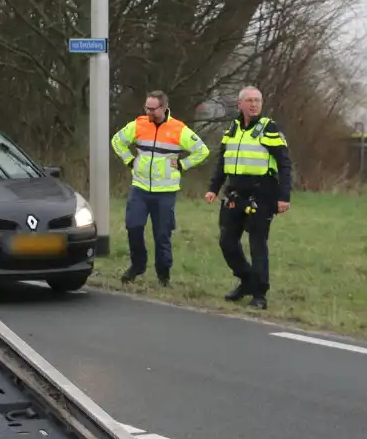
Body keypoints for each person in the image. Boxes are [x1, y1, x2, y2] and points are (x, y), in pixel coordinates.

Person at [205, 86, 293, 310]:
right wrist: (214, 188)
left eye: (257, 101)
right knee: (227, 241)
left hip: (261, 195)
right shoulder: (231, 129)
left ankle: (260, 294)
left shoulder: (269, 128)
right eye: (250, 101)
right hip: (235, 193)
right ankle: (246, 280)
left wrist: (284, 197)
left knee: (257, 245)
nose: (254, 104)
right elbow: (222, 162)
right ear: (240, 104)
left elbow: (284, 164)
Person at [111, 90, 210, 286]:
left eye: (153, 108)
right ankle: (138, 265)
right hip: (139, 188)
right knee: (134, 226)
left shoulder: (178, 129)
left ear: (164, 108)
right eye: (146, 107)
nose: (149, 112)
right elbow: (117, 141)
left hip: (165, 191)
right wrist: (130, 160)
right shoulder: (138, 124)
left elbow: (202, 150)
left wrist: (183, 165)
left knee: (162, 234)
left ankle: (163, 275)